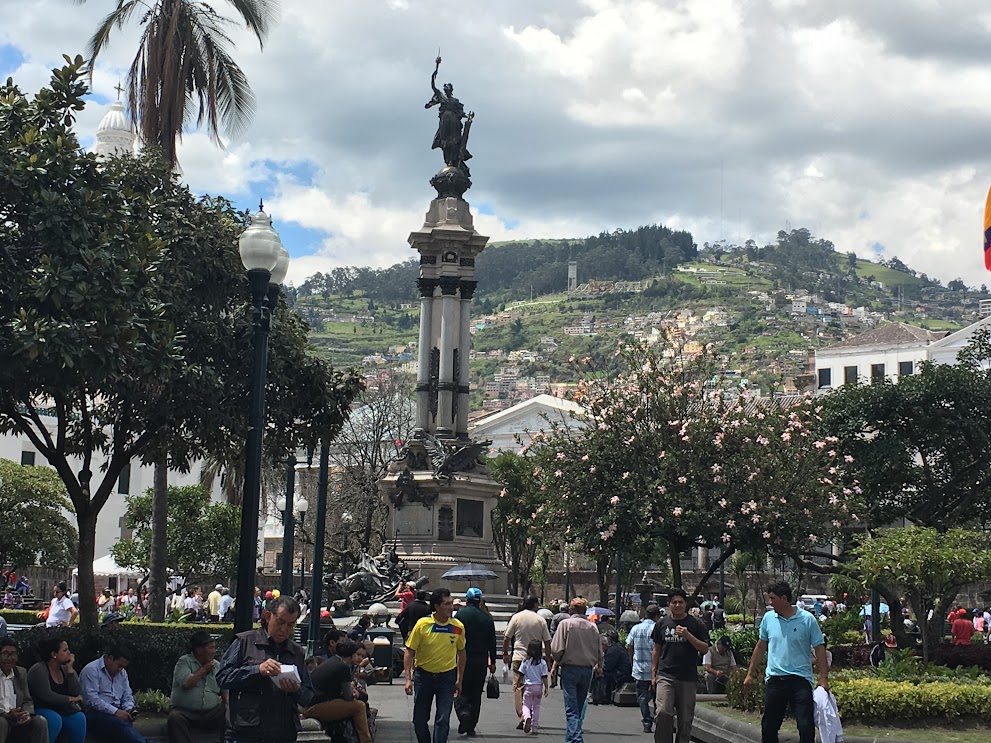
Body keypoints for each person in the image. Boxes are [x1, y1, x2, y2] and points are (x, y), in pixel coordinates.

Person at [216, 595, 313, 742]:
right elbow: (223, 677)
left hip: (282, 731)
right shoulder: (244, 642)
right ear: (268, 616)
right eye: (280, 622)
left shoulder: (296, 652)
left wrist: (296, 690)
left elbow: (308, 696)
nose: (284, 629)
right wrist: (257, 670)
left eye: (290, 625)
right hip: (246, 730)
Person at [744, 581, 829, 743]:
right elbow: (761, 646)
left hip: (800, 680)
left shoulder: (807, 619)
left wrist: (824, 677)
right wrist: (750, 674)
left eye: (772, 598)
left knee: (805, 726)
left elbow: (819, 648)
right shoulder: (768, 618)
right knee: (769, 726)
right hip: (775, 680)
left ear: (784, 598)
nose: (770, 602)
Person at [403, 588, 466, 743]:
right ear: (437, 607)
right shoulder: (423, 624)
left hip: (447, 678)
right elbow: (409, 651)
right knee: (419, 720)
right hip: (423, 677)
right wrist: (408, 679)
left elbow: (462, 653)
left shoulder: (458, 627)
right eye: (447, 604)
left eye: (451, 603)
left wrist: (459, 679)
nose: (451, 607)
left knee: (443, 719)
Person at [650, 588, 709, 743]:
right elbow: (656, 650)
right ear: (669, 605)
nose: (677, 605)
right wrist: (653, 675)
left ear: (686, 604)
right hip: (665, 675)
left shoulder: (696, 624)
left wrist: (688, 635)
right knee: (662, 712)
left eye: (680, 602)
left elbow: (704, 648)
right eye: (674, 602)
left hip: (687, 678)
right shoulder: (662, 623)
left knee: (685, 720)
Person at [550, 598, 603, 743]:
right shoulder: (592, 627)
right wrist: (599, 665)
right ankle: (571, 738)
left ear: (571, 610)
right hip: (587, 669)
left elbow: (556, 649)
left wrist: (557, 660)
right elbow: (599, 650)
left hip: (570, 668)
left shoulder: (566, 624)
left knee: (571, 707)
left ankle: (576, 739)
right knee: (579, 707)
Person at [303, 639, 372, 743]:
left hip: (314, 703)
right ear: (351, 655)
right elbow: (348, 696)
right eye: (357, 654)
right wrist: (355, 693)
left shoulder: (333, 661)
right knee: (359, 707)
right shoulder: (343, 667)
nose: (360, 658)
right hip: (316, 707)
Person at [79, 643, 148, 743]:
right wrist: (115, 712)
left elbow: (127, 694)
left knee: (123, 727)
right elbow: (92, 700)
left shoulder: (122, 673)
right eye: (119, 665)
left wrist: (129, 709)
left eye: (123, 667)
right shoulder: (91, 670)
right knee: (119, 725)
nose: (120, 669)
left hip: (116, 711)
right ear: (110, 658)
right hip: (94, 713)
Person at [503, 596, 552, 729]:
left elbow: (507, 637)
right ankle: (529, 715)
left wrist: (505, 653)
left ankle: (523, 716)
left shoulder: (517, 617)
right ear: (535, 605)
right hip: (536, 659)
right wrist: (548, 659)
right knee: (533, 686)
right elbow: (547, 641)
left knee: (518, 687)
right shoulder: (540, 620)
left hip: (519, 657)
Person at [453, 587, 497, 737]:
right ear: (480, 601)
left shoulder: (460, 615)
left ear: (467, 600)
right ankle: (471, 725)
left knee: (460, 688)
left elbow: (453, 638)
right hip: (481, 660)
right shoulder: (487, 618)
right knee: (476, 692)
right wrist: (493, 662)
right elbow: (492, 642)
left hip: (462, 658)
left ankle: (463, 712)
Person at [167, 631, 224, 743]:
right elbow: (186, 683)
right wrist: (204, 670)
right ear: (199, 650)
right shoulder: (184, 661)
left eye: (214, 648)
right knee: (174, 718)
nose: (214, 652)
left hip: (211, 713)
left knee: (228, 712)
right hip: (186, 713)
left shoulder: (217, 666)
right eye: (210, 648)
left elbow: (225, 691)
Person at [26, 638, 85, 743]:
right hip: (42, 707)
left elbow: (76, 691)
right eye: (65, 650)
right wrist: (70, 699)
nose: (69, 653)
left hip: (62, 709)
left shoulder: (65, 669)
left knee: (79, 718)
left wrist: (70, 670)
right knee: (54, 719)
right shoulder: (39, 669)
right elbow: (47, 696)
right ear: (54, 654)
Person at [0, 637, 48, 743]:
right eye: (5, 654)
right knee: (1, 723)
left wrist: (26, 713)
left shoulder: (21, 673)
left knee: (40, 721)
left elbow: (27, 700)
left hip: (17, 718)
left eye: (13, 654)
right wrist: (5, 714)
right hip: (2, 718)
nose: (9, 658)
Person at [626, 603, 659, 733]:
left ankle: (646, 722)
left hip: (639, 668)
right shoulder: (657, 628)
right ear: (656, 616)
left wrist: (632, 660)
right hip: (655, 669)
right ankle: (659, 720)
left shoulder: (636, 628)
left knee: (642, 697)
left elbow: (629, 645)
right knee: (658, 697)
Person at [516, 640, 549, 735]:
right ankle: (534, 727)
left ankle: (526, 717)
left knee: (526, 704)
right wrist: (546, 687)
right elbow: (544, 676)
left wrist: (518, 683)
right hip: (538, 687)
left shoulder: (526, 662)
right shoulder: (542, 663)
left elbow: (521, 674)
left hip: (528, 687)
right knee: (536, 707)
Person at [602, 631, 632, 698]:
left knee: (600, 674)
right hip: (624, 671)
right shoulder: (619, 646)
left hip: (621, 673)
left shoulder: (613, 649)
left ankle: (602, 696)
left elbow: (607, 666)